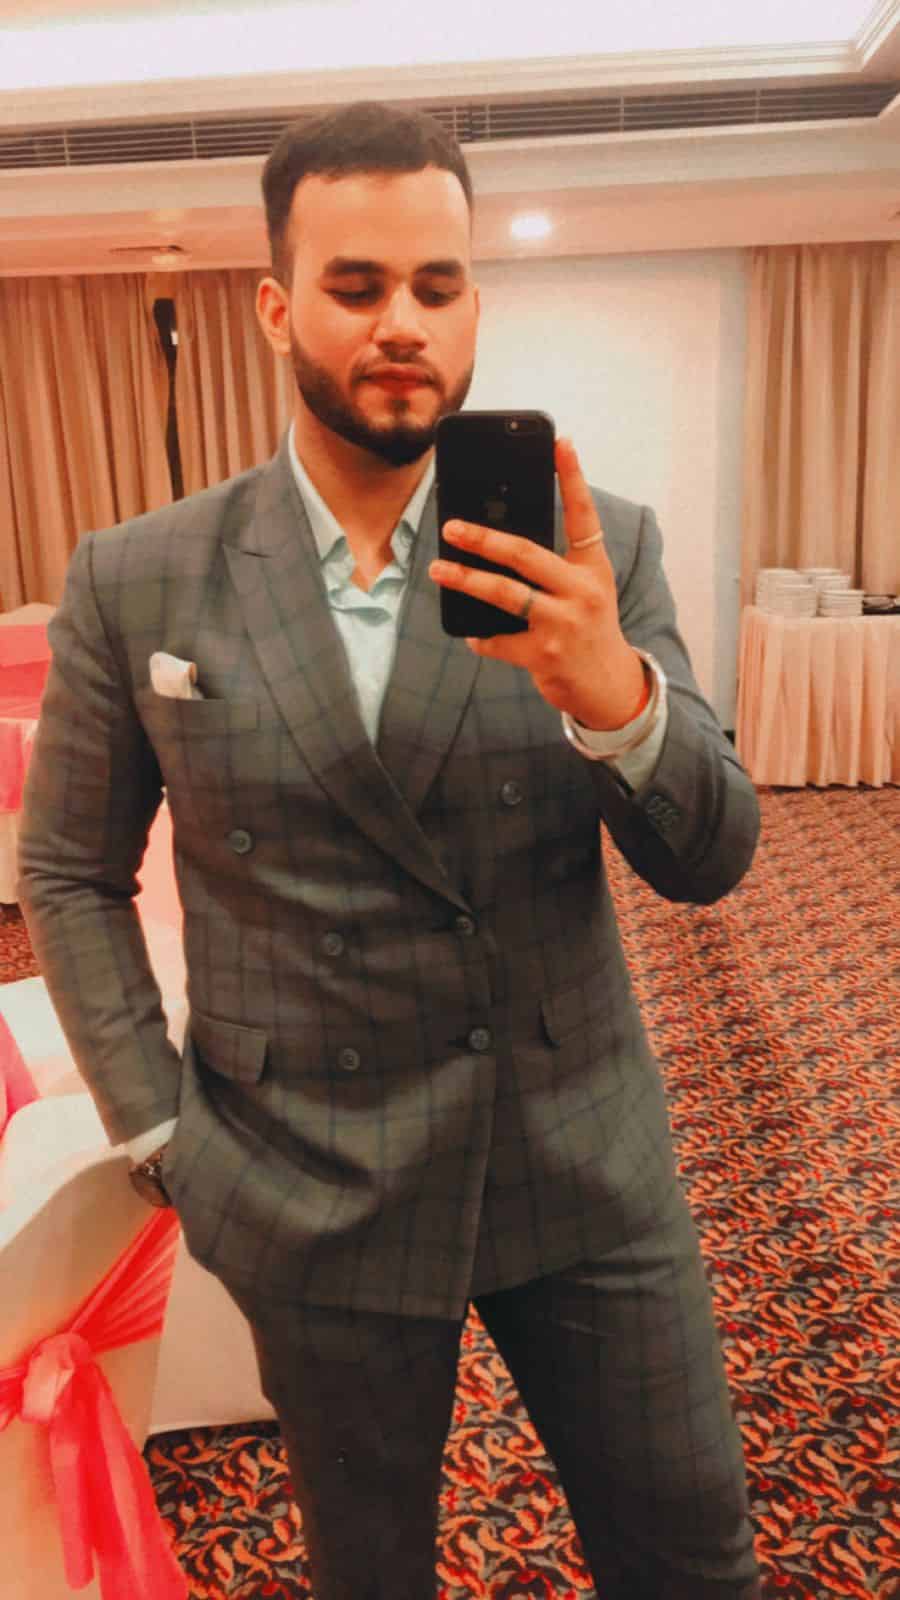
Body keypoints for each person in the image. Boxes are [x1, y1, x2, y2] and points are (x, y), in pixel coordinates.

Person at [19, 101, 764, 1600]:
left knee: (692, 1558)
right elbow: (70, 875)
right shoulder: (139, 576)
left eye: (439, 284)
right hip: (309, 1175)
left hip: (577, 1154)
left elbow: (712, 856)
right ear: (276, 306)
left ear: (476, 301)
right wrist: (161, 1131)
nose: (403, 323)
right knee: (370, 1574)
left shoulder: (588, 546)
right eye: (357, 286)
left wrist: (615, 702)